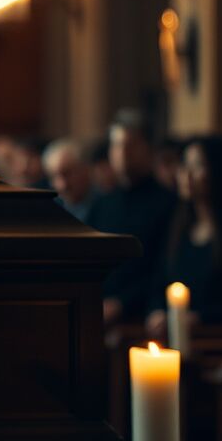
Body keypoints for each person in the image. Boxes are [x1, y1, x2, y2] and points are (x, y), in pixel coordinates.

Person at [145, 136, 222, 338]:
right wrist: (158, 311)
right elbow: (160, 282)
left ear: (221, 172)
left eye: (197, 166)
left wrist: (202, 318)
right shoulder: (179, 227)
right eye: (184, 164)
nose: (185, 174)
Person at [87, 109, 178, 325]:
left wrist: (122, 304)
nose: (123, 152)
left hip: (143, 316)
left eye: (131, 145)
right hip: (98, 310)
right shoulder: (102, 203)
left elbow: (163, 267)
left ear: (149, 149)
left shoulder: (168, 203)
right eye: (117, 145)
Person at [42, 138, 96, 221]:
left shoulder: (111, 206)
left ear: (85, 169)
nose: (62, 185)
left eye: (67, 174)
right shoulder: (48, 211)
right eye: (54, 176)